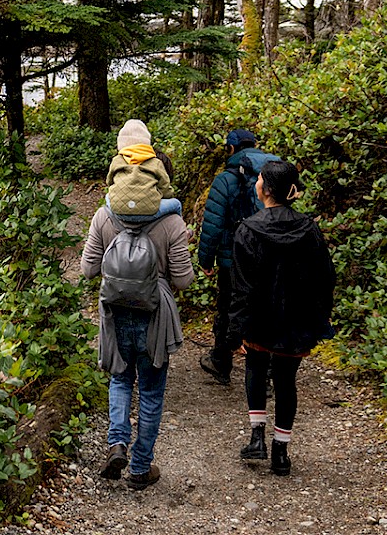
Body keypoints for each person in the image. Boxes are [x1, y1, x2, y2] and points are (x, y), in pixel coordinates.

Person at [81, 121, 193, 491]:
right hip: (155, 318)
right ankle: (141, 467)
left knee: (119, 379)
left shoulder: (103, 215)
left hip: (115, 314)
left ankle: (116, 443)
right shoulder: (173, 221)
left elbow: (87, 270)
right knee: (151, 389)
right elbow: (183, 280)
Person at [228, 160, 335, 476]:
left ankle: (257, 437)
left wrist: (236, 331)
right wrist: (319, 321)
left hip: (259, 321)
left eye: (259, 179)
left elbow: (241, 288)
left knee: (255, 368)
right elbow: (324, 279)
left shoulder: (248, 230)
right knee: (286, 380)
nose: (256, 183)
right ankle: (281, 451)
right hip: (296, 322)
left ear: (265, 188)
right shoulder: (310, 230)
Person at [196, 128, 277, 386]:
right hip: (267, 260)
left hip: (232, 261)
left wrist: (206, 260)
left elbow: (212, 226)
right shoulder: (272, 176)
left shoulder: (224, 180)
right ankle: (263, 376)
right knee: (263, 312)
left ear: (231, 149)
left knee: (227, 310)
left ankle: (221, 362)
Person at [105, 119, 177, 219]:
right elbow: (165, 188)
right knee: (176, 204)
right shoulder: (156, 163)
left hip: (119, 210)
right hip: (149, 212)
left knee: (107, 197)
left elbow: (109, 182)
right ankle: (181, 229)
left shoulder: (117, 161)